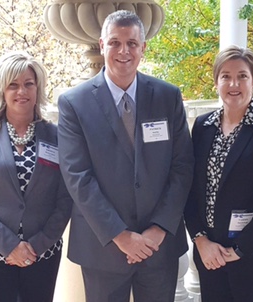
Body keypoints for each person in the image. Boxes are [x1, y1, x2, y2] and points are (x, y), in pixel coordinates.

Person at [57, 10, 194, 302]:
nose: (124, 51)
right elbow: (77, 177)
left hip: (159, 247)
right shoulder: (74, 103)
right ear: (102, 44)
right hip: (103, 249)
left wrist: (158, 229)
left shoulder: (168, 97)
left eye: (132, 43)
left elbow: (182, 167)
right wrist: (120, 235)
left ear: (143, 48)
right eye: (115, 42)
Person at [184, 45, 253, 302]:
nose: (234, 83)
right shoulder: (202, 126)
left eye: (242, 75)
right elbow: (189, 189)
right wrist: (200, 240)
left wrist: (241, 249)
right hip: (211, 254)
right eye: (226, 76)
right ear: (216, 82)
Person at [0, 51, 73, 302]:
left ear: (38, 88)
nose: (21, 92)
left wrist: (36, 245)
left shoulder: (57, 137)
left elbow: (65, 198)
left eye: (29, 84)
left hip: (41, 254)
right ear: (2, 91)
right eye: (13, 85)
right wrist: (9, 245)